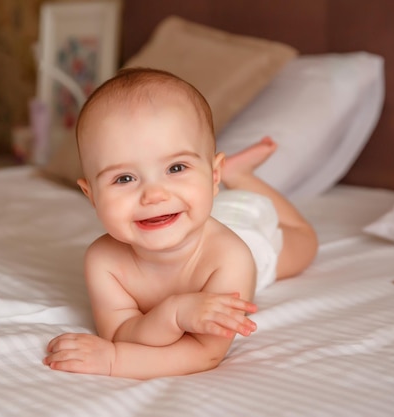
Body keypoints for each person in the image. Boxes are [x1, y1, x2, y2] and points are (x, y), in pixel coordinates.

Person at [44, 68, 318, 379]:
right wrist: (174, 314)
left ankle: (241, 177)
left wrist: (115, 361)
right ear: (91, 194)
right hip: (191, 211)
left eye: (176, 167)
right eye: (124, 178)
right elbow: (121, 331)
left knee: (305, 242)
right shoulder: (103, 260)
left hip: (245, 225)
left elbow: (206, 353)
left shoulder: (232, 258)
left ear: (213, 176)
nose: (154, 195)